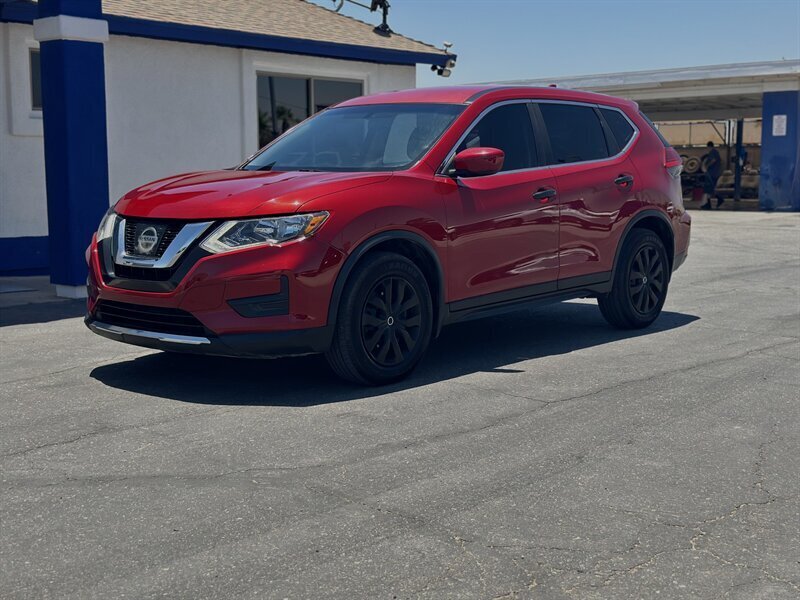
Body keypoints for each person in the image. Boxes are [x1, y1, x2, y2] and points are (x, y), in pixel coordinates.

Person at [700, 141, 722, 210]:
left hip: (712, 173)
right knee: (710, 189)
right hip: (714, 173)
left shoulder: (712, 152)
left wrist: (706, 166)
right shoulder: (715, 152)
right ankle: (708, 204)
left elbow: (713, 160)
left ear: (709, 146)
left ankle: (719, 200)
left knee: (709, 188)